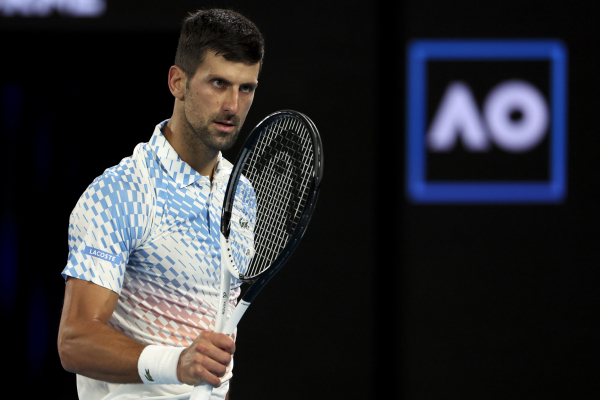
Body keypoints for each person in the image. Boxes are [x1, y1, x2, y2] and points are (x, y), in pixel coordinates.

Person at [57, 9, 264, 400]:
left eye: (246, 88)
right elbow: (75, 340)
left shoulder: (242, 195)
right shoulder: (120, 194)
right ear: (177, 82)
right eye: (218, 83)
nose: (233, 105)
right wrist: (177, 363)